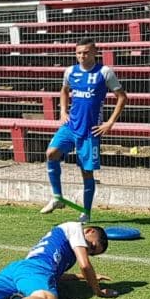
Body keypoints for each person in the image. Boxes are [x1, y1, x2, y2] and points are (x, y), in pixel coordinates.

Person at [40, 38, 128, 223]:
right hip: (70, 126)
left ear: (95, 52)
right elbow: (64, 91)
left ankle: (86, 213)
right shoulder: (70, 71)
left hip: (90, 131)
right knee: (51, 153)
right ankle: (57, 197)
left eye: (86, 52)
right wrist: (63, 111)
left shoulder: (104, 73)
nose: (82, 56)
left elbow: (122, 97)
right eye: (79, 52)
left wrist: (110, 123)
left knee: (86, 172)